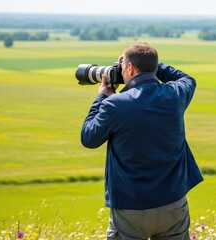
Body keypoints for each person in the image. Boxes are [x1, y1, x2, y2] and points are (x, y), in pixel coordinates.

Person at [81, 42, 203, 239]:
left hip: (131, 208)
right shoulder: (174, 95)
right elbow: (187, 78)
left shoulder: (115, 104)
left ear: (129, 68)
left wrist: (101, 97)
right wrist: (151, 65)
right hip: (173, 203)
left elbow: (88, 137)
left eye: (123, 67)